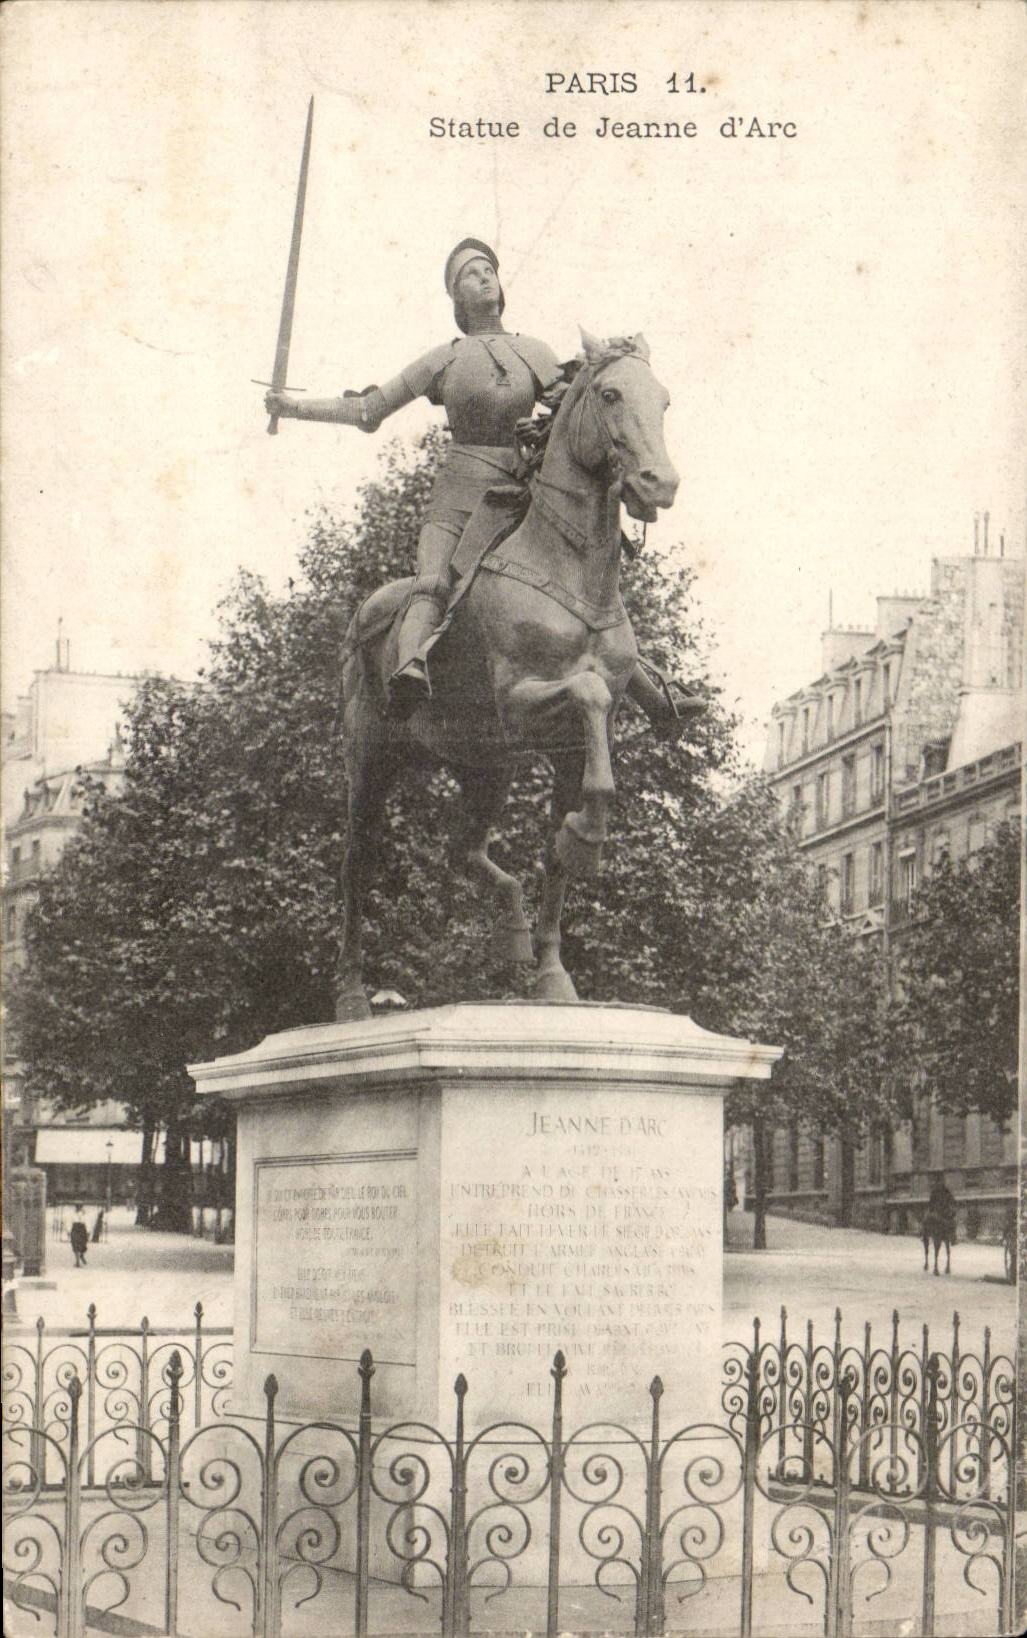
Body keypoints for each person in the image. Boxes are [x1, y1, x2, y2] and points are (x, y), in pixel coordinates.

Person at [265, 238, 700, 727]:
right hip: (457, 499)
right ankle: (409, 671)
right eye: (471, 273)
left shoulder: (534, 351)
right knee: (432, 583)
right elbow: (368, 410)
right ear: (456, 295)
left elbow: (579, 408)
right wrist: (292, 406)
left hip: (523, 496)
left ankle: (654, 691)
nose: (485, 277)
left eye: (489, 269)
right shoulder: (443, 359)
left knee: (586, 583)